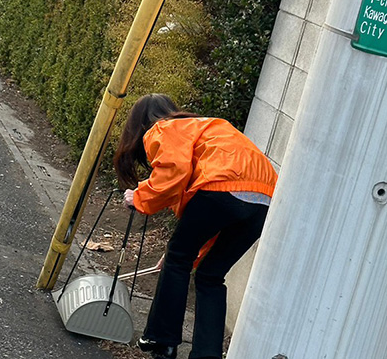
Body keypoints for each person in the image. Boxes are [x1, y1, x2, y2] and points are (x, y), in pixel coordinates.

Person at [114, 94, 278, 359]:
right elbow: (220, 208)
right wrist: (185, 251)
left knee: (178, 260)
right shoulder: (210, 127)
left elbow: (173, 171)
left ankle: (162, 340)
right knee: (210, 276)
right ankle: (206, 355)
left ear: (140, 123)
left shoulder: (165, 128)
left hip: (222, 189)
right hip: (264, 200)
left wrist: (140, 197)